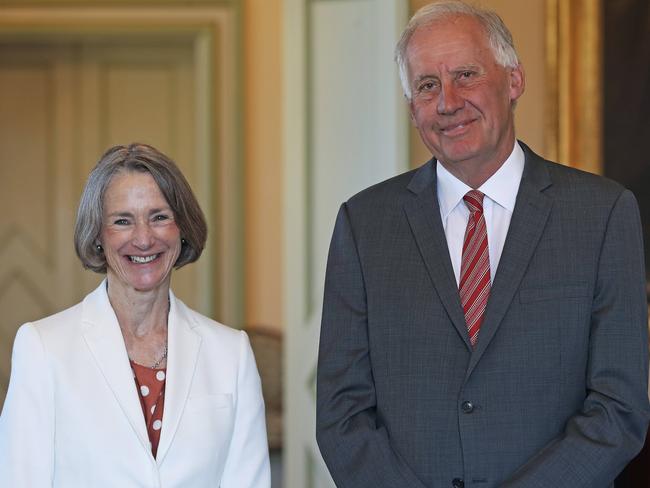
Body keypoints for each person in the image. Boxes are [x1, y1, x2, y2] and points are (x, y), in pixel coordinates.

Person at [316, 1, 650, 487]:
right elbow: (341, 413)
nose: (448, 102)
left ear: (514, 81)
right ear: (413, 110)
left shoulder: (601, 214)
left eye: (466, 75)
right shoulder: (364, 224)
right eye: (427, 86)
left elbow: (619, 408)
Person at [0, 143, 270, 487]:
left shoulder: (232, 353)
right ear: (98, 235)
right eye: (122, 221)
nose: (143, 238)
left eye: (159, 217)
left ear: (182, 228)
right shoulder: (43, 347)